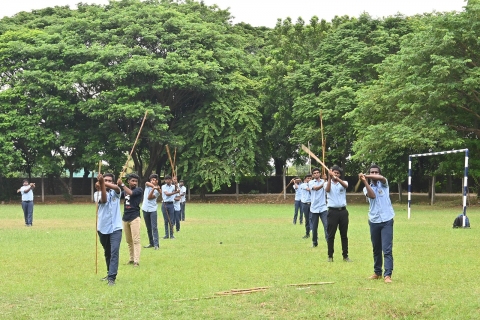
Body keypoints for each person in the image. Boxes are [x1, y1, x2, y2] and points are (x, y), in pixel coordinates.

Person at [359, 164, 395, 283]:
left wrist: (365, 175)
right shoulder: (366, 188)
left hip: (387, 220)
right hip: (374, 220)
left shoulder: (384, 184)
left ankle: (387, 275)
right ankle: (377, 272)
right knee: (376, 248)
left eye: (376, 172)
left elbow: (382, 178)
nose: (374, 174)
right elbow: (372, 196)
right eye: (372, 172)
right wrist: (365, 181)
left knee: (387, 248)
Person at [96, 173, 122, 286]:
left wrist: (102, 182)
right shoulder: (97, 194)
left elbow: (117, 188)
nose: (108, 182)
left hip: (116, 227)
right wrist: (102, 185)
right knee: (108, 252)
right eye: (106, 180)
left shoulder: (116, 193)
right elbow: (104, 200)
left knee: (114, 251)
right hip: (103, 228)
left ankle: (112, 277)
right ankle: (109, 272)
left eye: (110, 181)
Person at [325, 165, 351, 262]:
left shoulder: (343, 183)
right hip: (332, 212)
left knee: (344, 235)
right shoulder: (327, 183)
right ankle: (330, 256)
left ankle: (345, 256)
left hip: (343, 212)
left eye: (337, 173)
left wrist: (336, 178)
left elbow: (346, 186)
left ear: (340, 174)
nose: (336, 174)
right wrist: (329, 178)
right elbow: (327, 190)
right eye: (334, 172)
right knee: (331, 235)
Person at [118, 173, 143, 267]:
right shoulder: (124, 192)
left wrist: (122, 185)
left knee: (136, 240)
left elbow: (131, 193)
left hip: (135, 217)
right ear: (128, 181)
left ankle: (136, 261)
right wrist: (117, 186)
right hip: (125, 218)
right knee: (129, 241)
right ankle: (131, 259)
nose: (134, 183)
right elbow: (118, 195)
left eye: (136, 181)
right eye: (132, 181)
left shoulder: (139, 190)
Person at [309, 168, 328, 248]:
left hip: (323, 207)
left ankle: (328, 241)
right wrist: (324, 182)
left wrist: (326, 180)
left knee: (326, 225)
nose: (316, 174)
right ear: (313, 175)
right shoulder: (310, 182)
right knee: (314, 227)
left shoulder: (325, 182)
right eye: (314, 173)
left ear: (320, 174)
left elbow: (328, 189)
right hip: (314, 208)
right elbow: (316, 188)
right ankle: (314, 242)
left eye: (317, 173)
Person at [142, 174, 161, 250]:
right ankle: (151, 243)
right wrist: (153, 187)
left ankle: (156, 244)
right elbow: (146, 183)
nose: (153, 181)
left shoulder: (157, 191)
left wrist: (154, 189)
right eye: (152, 180)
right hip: (145, 209)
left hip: (152, 210)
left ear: (157, 181)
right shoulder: (148, 185)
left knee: (154, 227)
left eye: (154, 180)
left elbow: (149, 197)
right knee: (148, 227)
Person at [161, 175, 179, 239]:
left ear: (171, 180)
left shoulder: (173, 186)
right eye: (166, 179)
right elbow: (167, 194)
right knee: (166, 220)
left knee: (171, 220)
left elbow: (177, 190)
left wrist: (176, 184)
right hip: (164, 204)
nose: (167, 181)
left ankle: (171, 235)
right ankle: (166, 235)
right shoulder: (163, 186)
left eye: (169, 179)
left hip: (171, 204)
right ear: (165, 180)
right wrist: (175, 192)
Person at [300, 174, 312, 239]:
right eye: (308, 178)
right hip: (305, 204)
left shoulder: (313, 184)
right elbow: (308, 189)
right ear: (305, 179)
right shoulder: (303, 185)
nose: (309, 179)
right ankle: (307, 233)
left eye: (310, 178)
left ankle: (315, 234)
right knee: (307, 219)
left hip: (312, 204)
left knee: (313, 219)